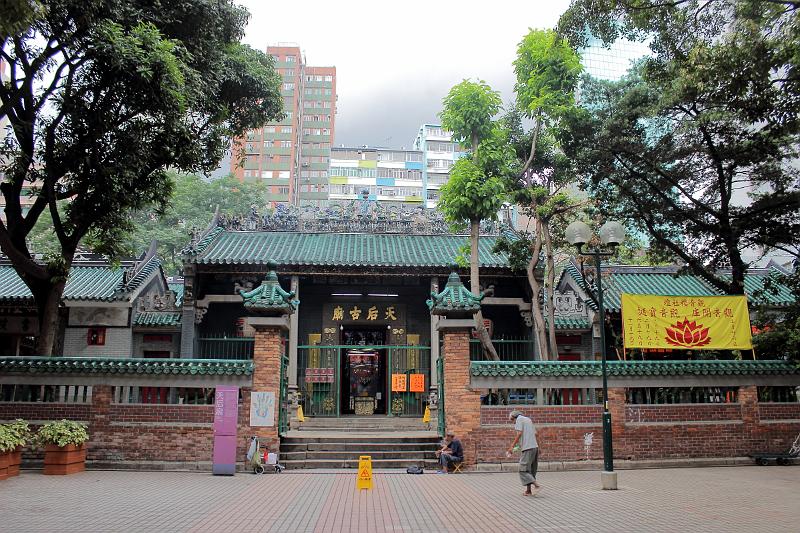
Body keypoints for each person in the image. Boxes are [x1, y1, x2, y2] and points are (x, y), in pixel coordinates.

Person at [507, 410, 541, 496]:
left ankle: (536, 485)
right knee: (530, 470)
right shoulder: (528, 420)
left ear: (514, 417)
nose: (513, 423)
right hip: (534, 447)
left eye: (512, 421)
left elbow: (519, 434)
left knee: (522, 470)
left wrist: (511, 446)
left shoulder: (519, 419)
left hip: (528, 448)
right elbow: (536, 434)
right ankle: (528, 491)